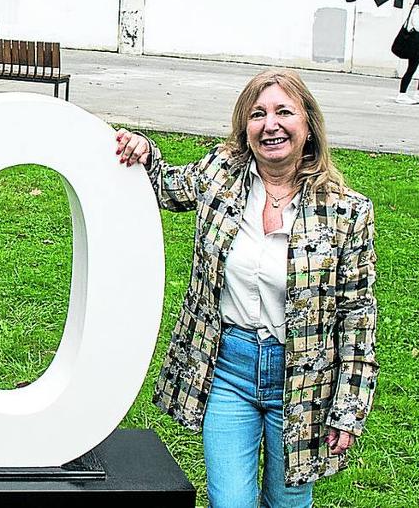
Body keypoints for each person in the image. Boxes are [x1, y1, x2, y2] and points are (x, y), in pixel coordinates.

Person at [114, 68, 378, 508]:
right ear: (245, 127)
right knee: (230, 502)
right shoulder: (221, 173)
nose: (270, 124)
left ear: (308, 125)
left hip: (302, 380)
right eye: (257, 114)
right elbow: (163, 186)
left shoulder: (346, 211)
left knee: (287, 503)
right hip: (229, 369)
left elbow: (358, 314)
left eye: (283, 112)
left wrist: (349, 408)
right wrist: (143, 149)